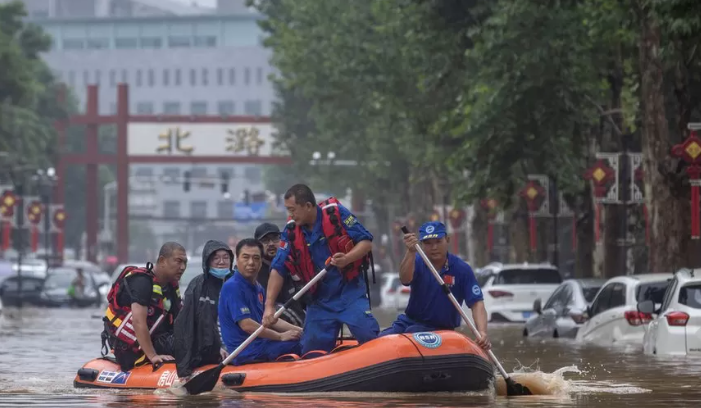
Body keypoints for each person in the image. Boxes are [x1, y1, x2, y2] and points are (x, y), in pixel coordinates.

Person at [262, 184, 380, 356]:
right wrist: (269, 306)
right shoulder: (291, 231)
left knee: (368, 334)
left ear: (308, 206)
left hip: (349, 293)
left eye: (293, 210)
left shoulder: (336, 214)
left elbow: (366, 242)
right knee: (311, 351)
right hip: (319, 301)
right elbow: (278, 268)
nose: (290, 215)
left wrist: (347, 258)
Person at [378, 221, 491, 350]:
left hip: (440, 331)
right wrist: (410, 252)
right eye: (428, 243)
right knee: (377, 342)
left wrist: (482, 332)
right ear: (421, 244)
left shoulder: (462, 269)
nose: (434, 247)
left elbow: (477, 303)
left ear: (447, 240)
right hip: (409, 322)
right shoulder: (416, 261)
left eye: (438, 241)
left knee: (413, 333)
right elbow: (405, 279)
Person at [101, 242, 187, 372]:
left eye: (185, 263)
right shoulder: (142, 282)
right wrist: (153, 356)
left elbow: (181, 321)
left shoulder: (171, 287)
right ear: (162, 260)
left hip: (159, 340)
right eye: (178, 261)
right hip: (130, 350)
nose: (182, 267)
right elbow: (138, 322)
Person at [218, 238, 303, 365]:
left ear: (261, 262)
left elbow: (271, 319)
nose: (251, 262)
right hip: (245, 351)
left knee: (304, 338)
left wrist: (301, 330)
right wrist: (280, 336)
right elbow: (247, 325)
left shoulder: (258, 287)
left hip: (261, 344)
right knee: (301, 345)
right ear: (237, 259)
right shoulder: (233, 286)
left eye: (256, 258)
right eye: (245, 257)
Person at [173, 240, 233, 378]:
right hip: (207, 348)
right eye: (216, 258)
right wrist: (184, 368)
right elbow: (187, 324)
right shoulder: (198, 286)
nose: (221, 262)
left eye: (225, 257)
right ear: (207, 261)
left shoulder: (237, 282)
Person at [254, 222, 306, 327]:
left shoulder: (292, 265)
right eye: (265, 240)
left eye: (275, 238)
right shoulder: (254, 273)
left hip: (303, 324)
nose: (271, 244)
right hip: (276, 329)